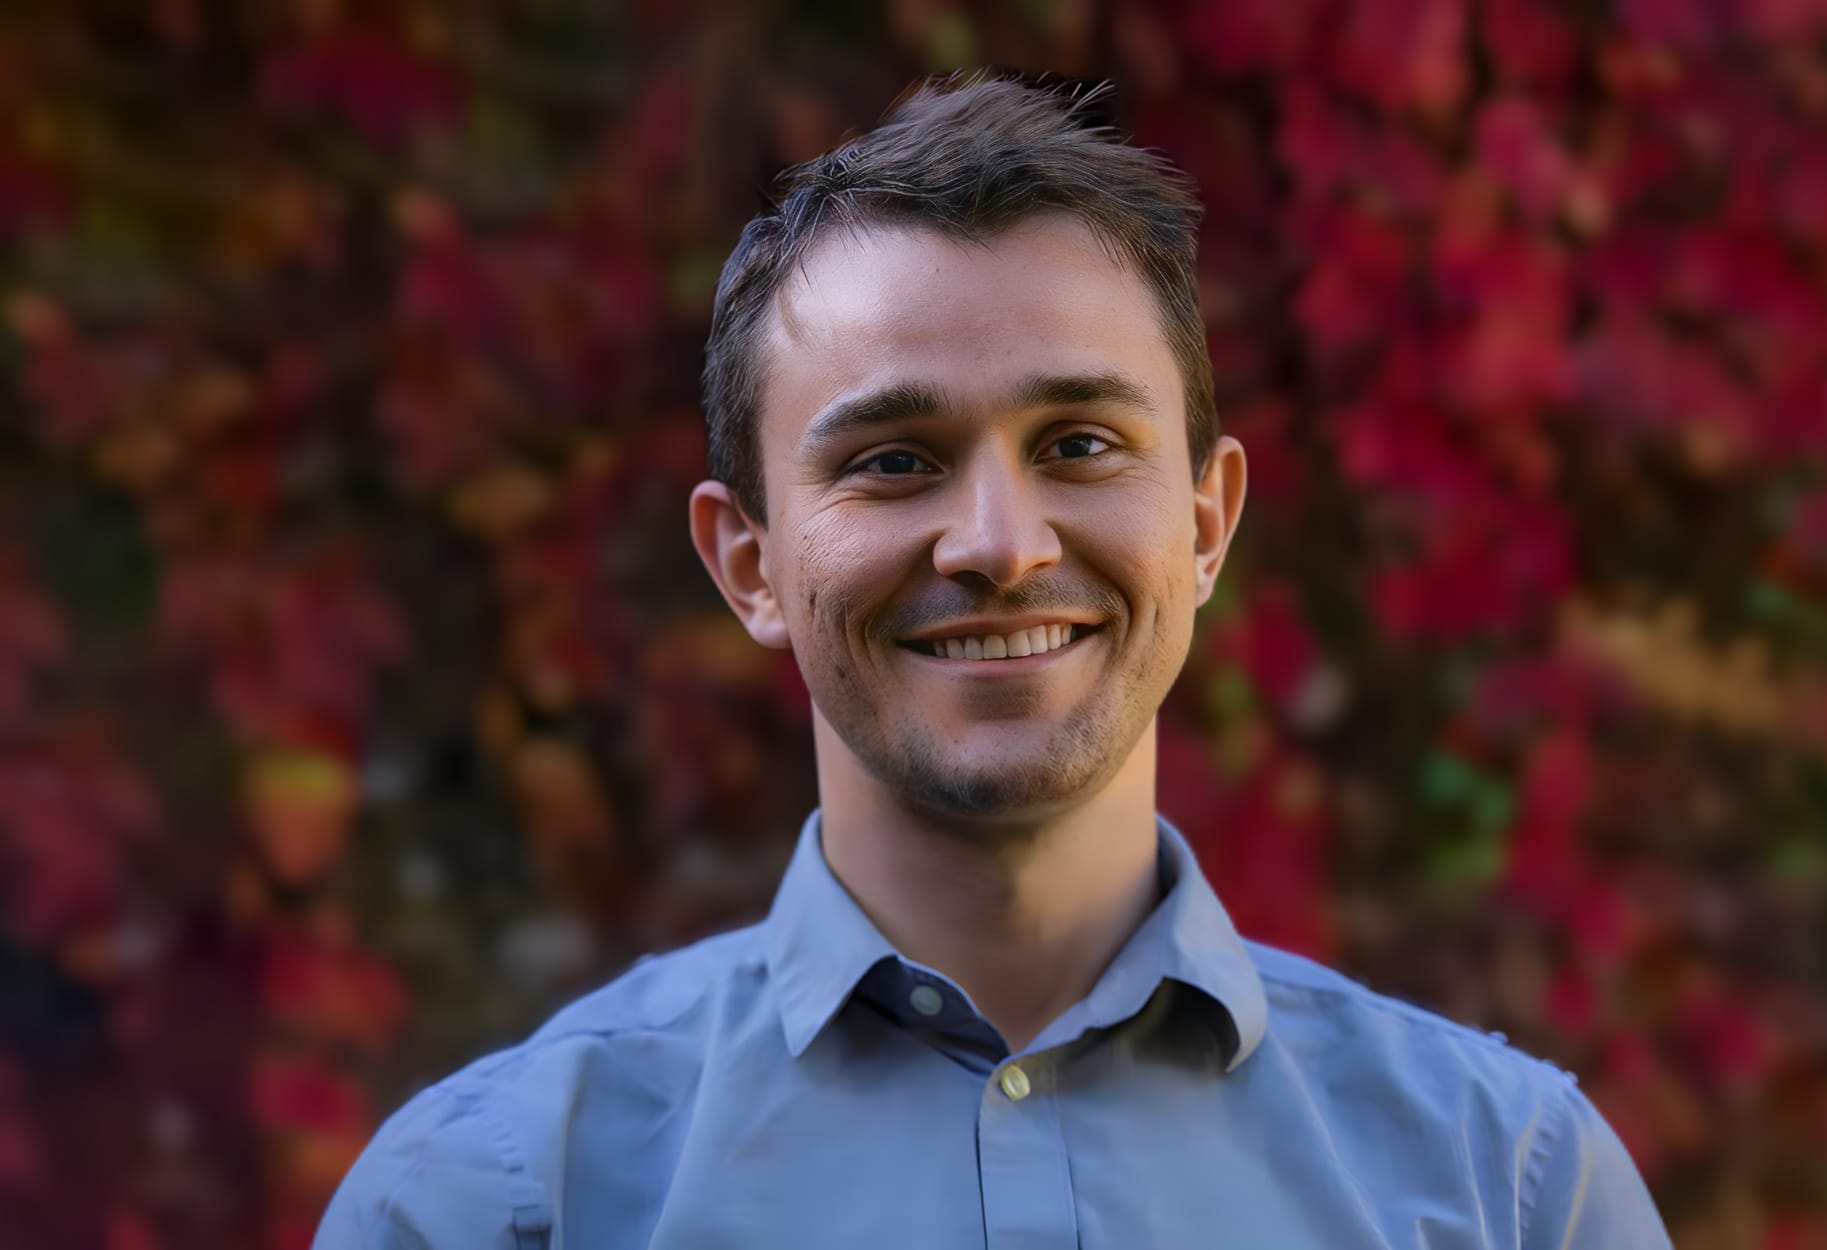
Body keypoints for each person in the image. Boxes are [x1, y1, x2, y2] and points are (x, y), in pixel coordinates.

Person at [315, 73, 1673, 1249]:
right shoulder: (500, 1202)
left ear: (1204, 525)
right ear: (747, 564)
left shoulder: (1505, 1189)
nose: (999, 544)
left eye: (1080, 443)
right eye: (893, 461)